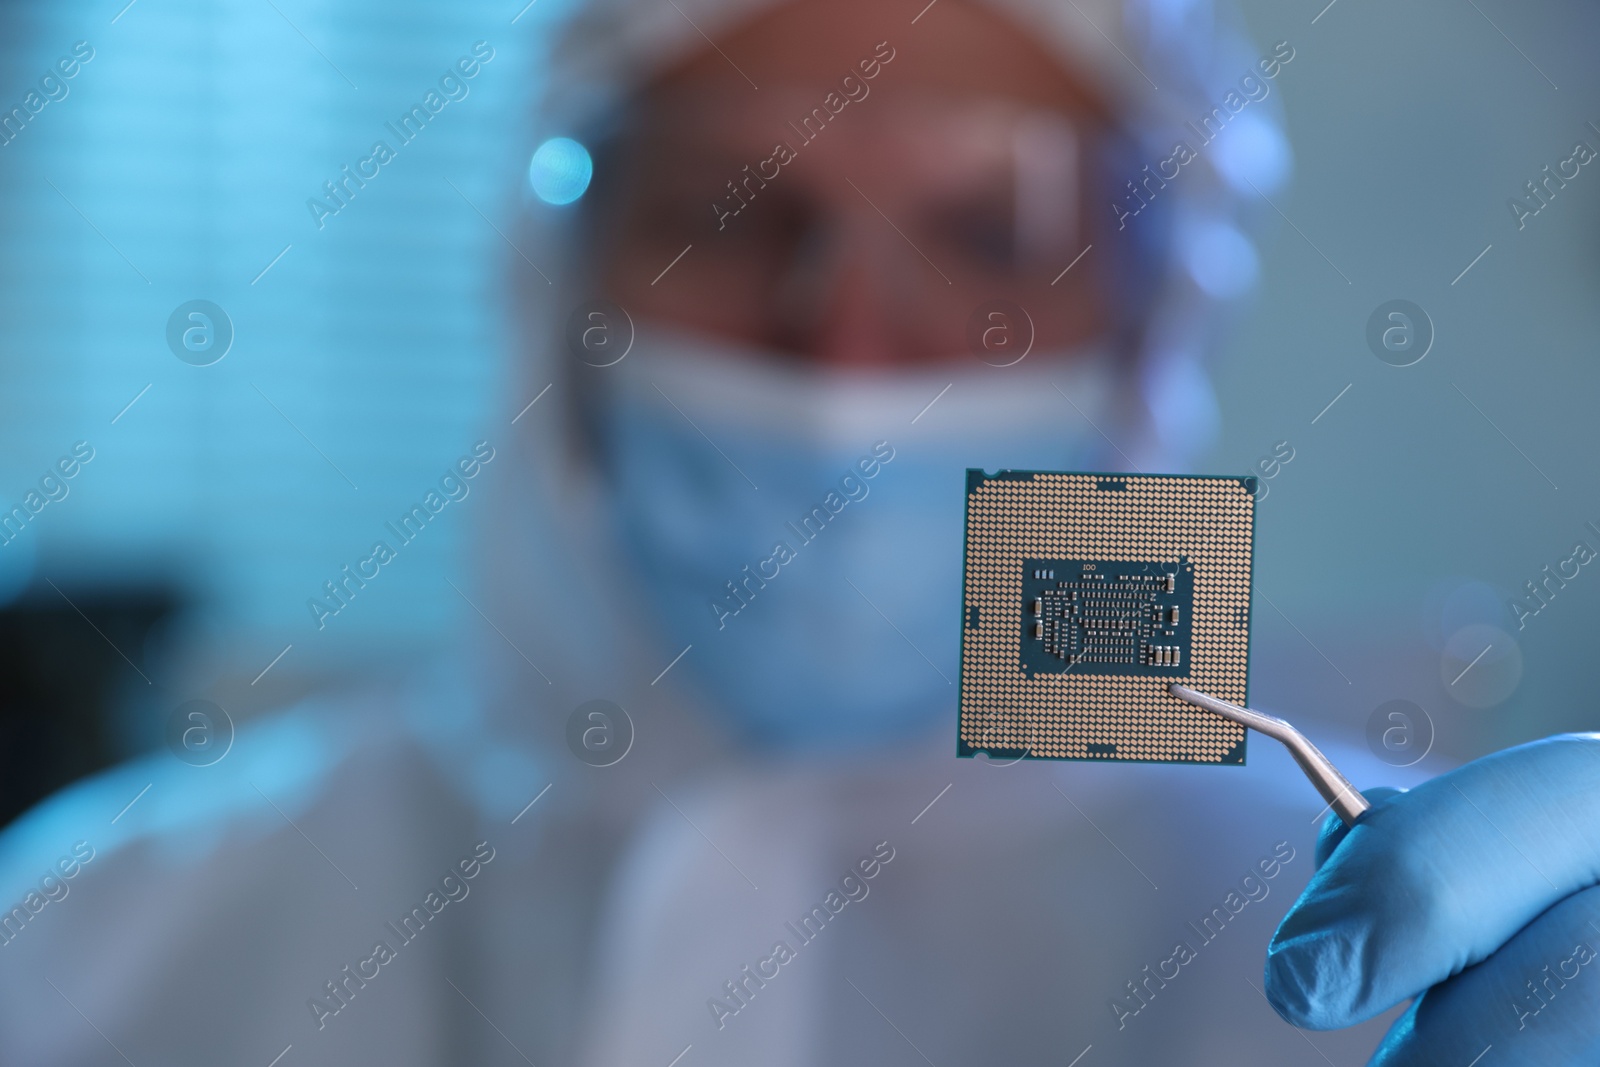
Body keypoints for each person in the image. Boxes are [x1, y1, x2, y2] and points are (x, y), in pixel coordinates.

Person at [0, 0, 1595, 1064]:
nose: (847, 350)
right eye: (724, 212)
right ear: (552, 295)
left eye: (992, 229)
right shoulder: (92, 945)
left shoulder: (1414, 954)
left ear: (1157, 323)